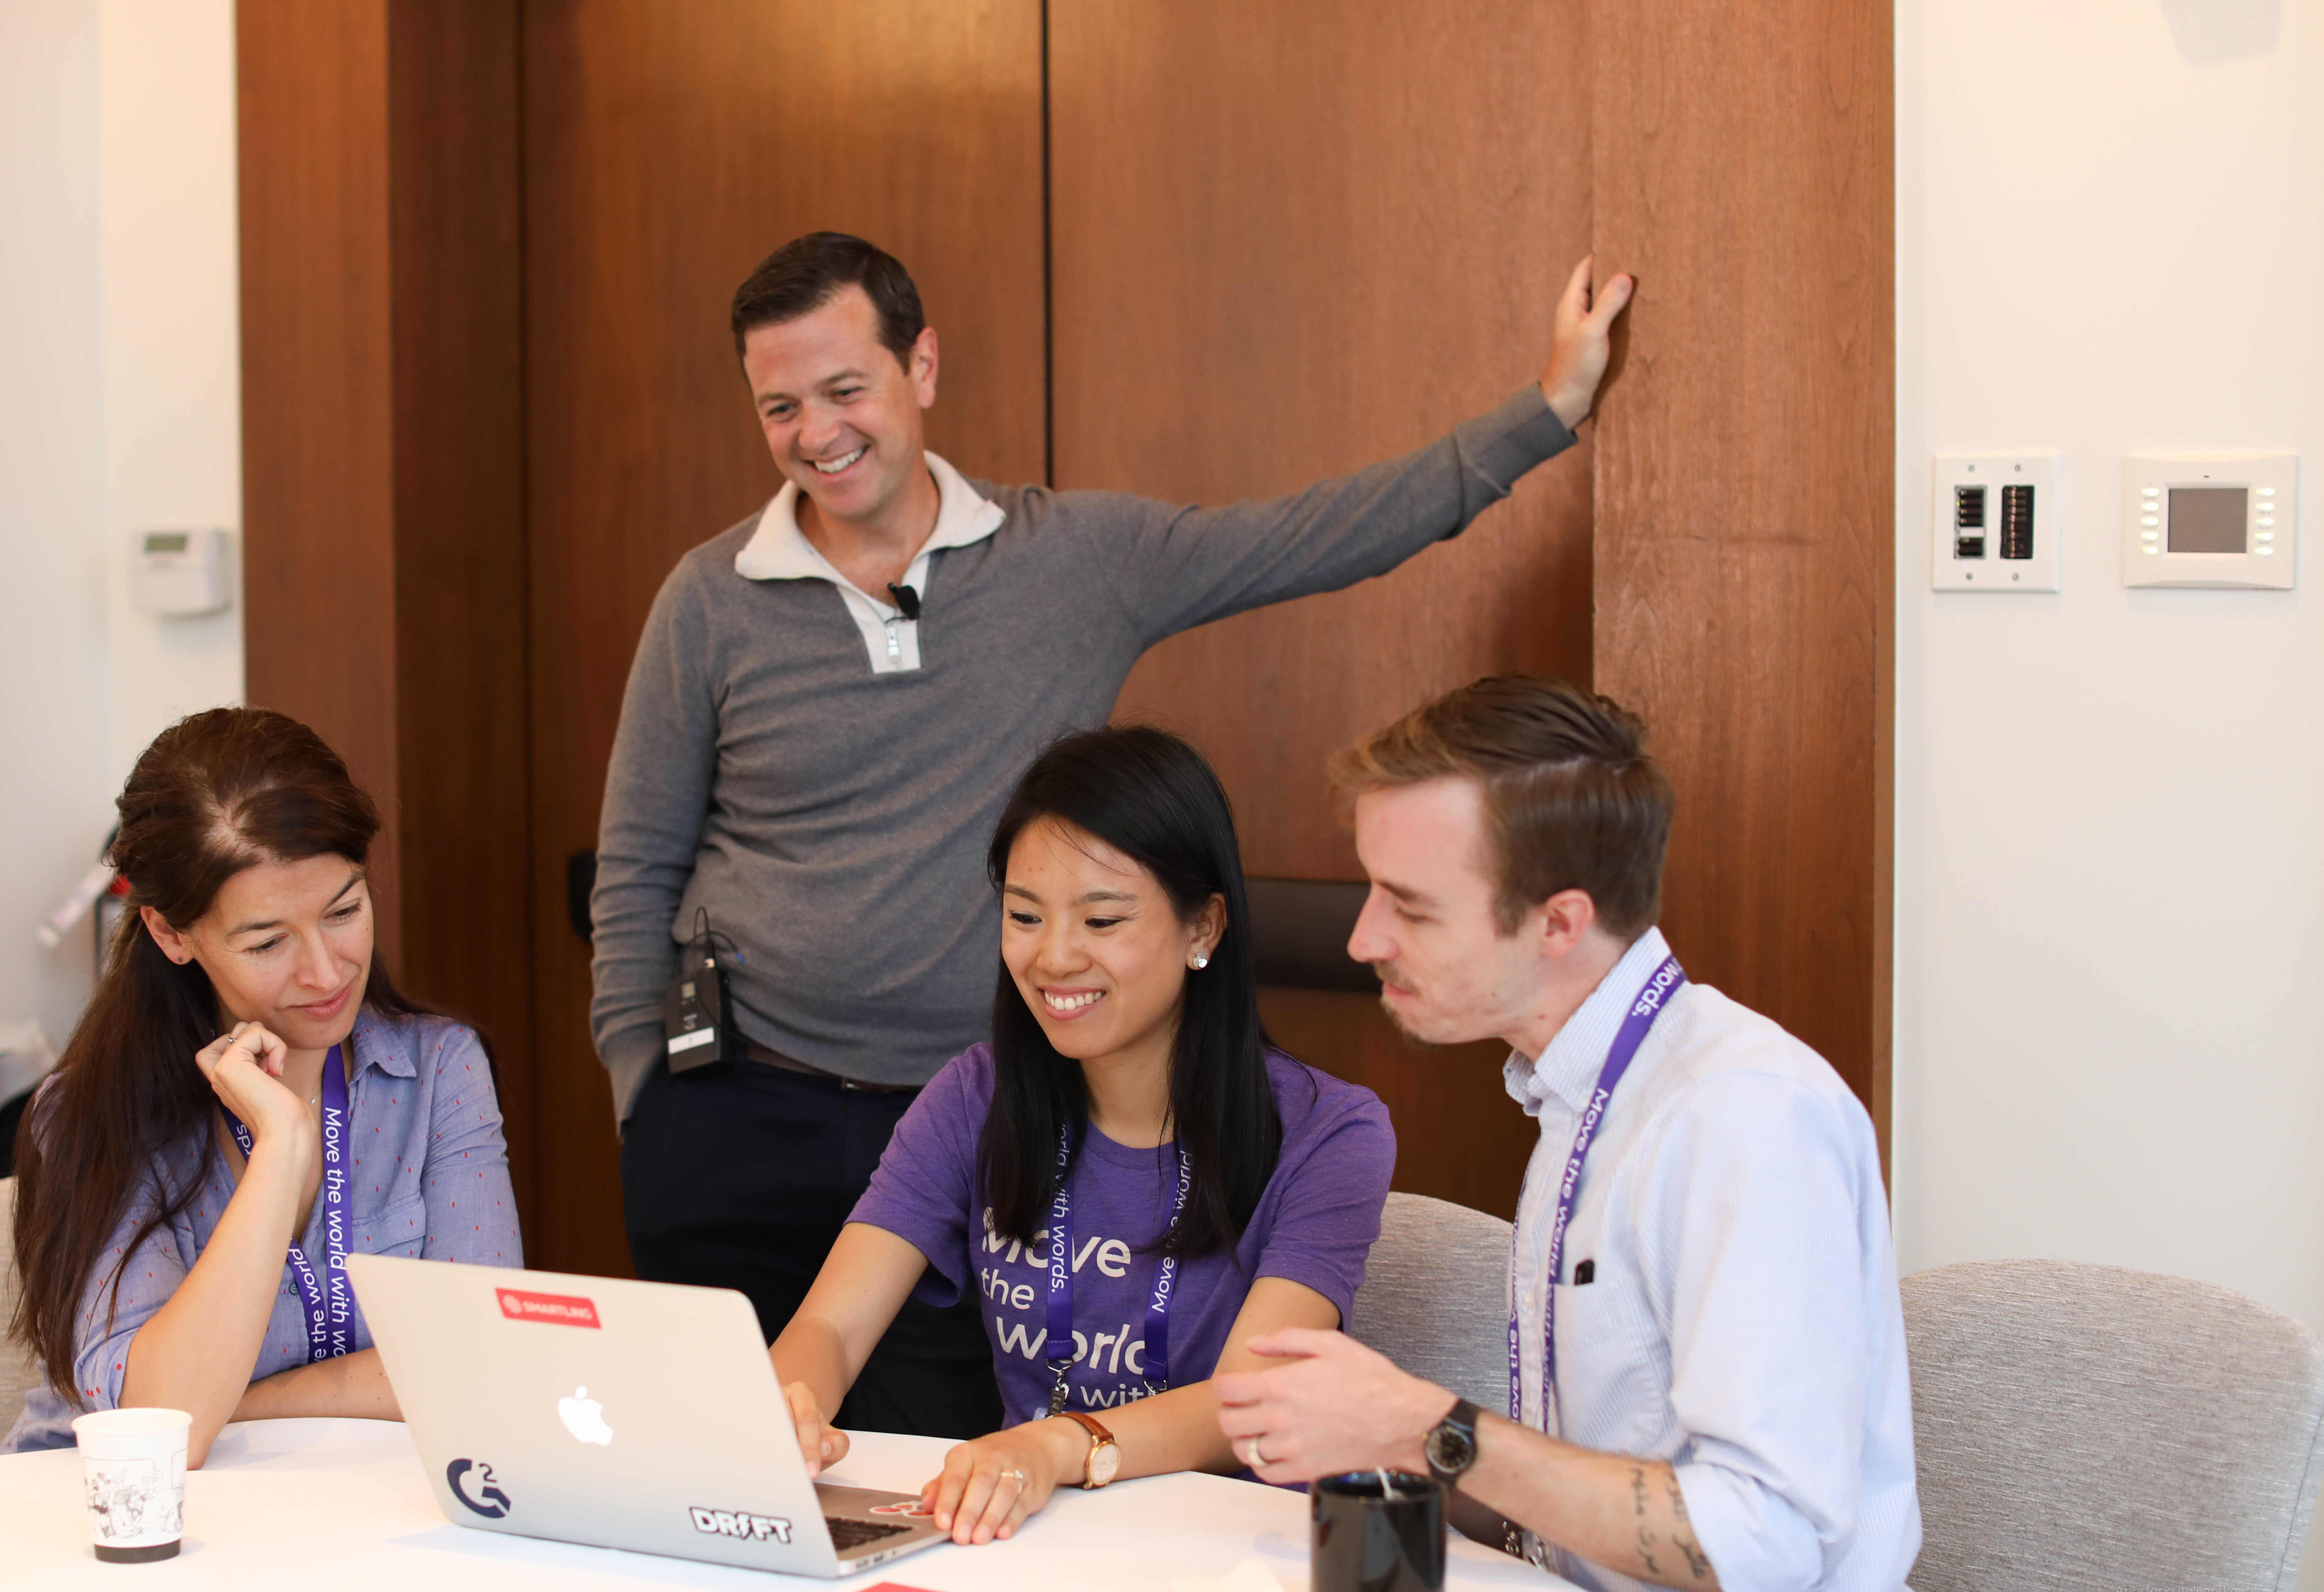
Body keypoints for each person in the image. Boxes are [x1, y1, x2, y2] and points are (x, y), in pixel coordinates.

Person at [595, 229, 1633, 1438]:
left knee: (942, 1474)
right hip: (737, 1109)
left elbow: (1313, 535)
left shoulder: (1076, 558)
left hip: (977, 1114)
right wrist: (643, 1096)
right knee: (724, 1459)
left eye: (844, 390)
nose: (816, 433)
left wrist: (1546, 411)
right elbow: (637, 865)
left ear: (920, 366)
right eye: (780, 407)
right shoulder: (708, 596)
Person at [1208, 676, 1934, 1592]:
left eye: (1409, 906)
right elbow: (1596, 1491)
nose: (1362, 938)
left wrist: (1426, 1427)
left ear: (1558, 921)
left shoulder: (1741, 1117)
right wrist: (1382, 1443)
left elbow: (1763, 1538)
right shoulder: (1578, 1097)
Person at [765, 727, 1394, 1544]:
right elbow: (831, 1327)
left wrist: (1058, 1445)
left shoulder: (1328, 1130)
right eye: (1025, 915)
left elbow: (1248, 1400)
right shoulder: (973, 1097)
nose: (1055, 957)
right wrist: (791, 1405)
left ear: (1204, 929)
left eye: (1102, 919)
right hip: (1038, 1538)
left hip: (1241, 1552)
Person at [4, 708, 522, 1465]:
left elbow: (483, 1362)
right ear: (171, 934)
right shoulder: (93, 1115)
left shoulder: (440, 1071)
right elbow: (167, 1430)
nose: (326, 971)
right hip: (132, 1512)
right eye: (269, 941)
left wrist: (234, 1404)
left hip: (345, 1501)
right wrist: (279, 1146)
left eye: (344, 910)